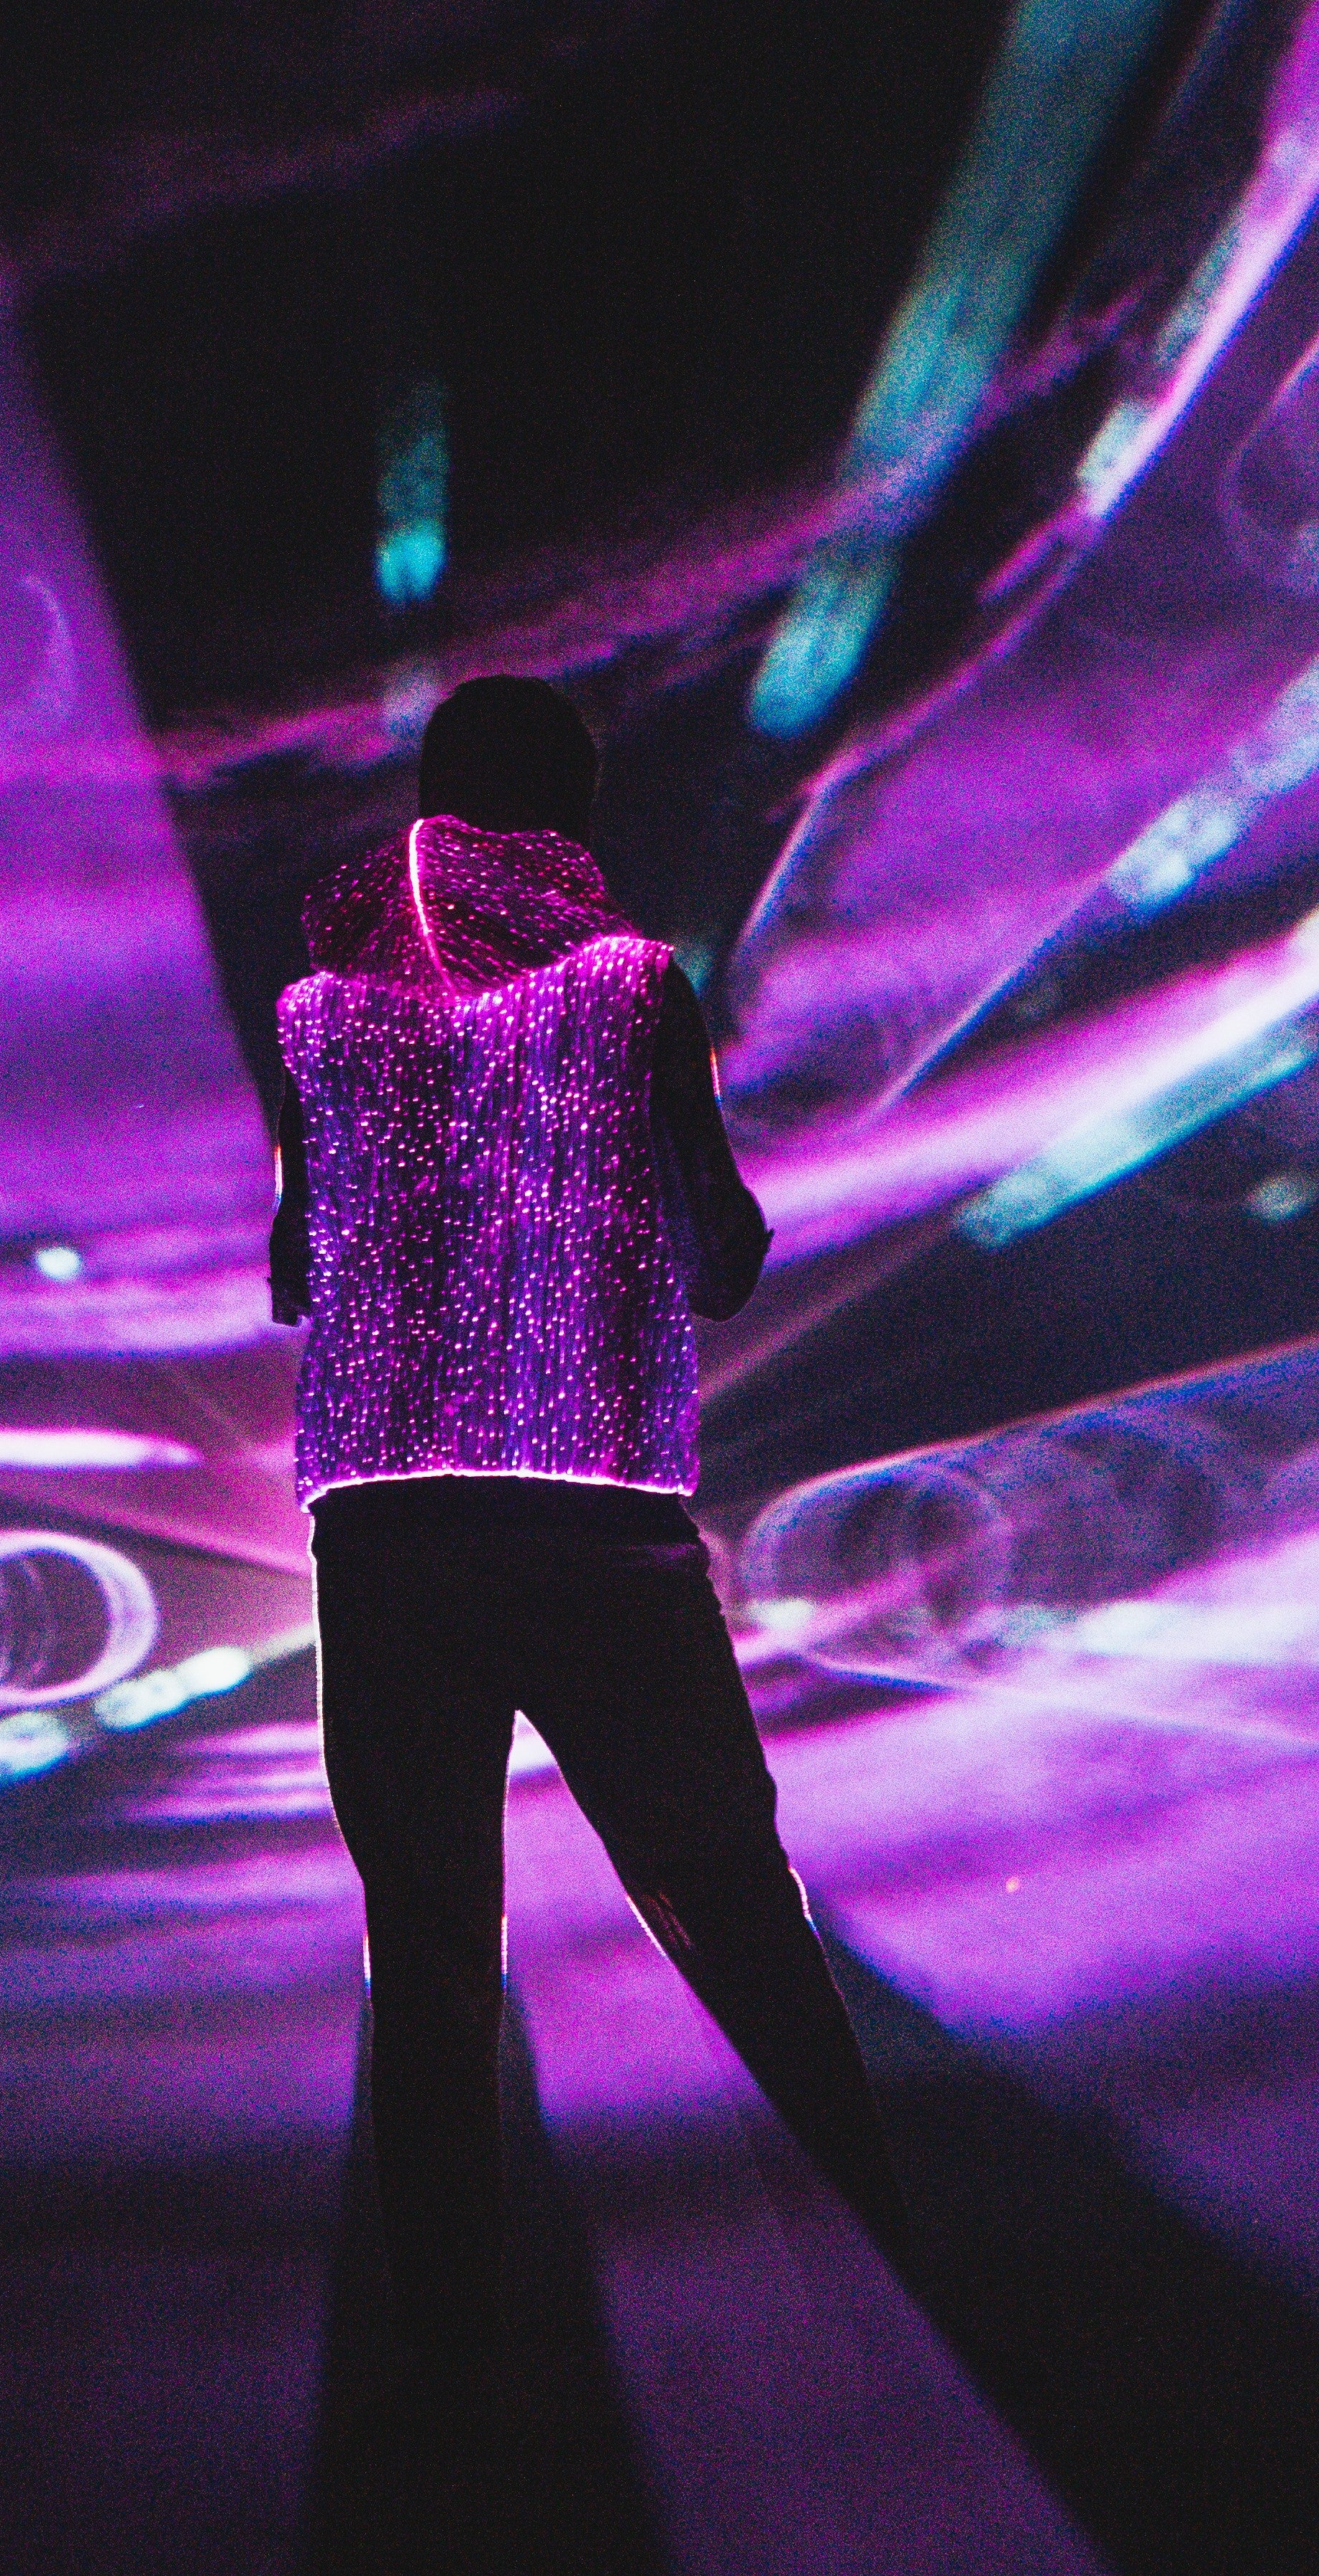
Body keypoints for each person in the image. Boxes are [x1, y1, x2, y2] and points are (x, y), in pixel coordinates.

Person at [271, 675, 907, 2434]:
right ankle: (882, 2240)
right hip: (590, 1509)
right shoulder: (631, 990)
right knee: (727, 1893)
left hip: (387, 1520)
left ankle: (447, 2360)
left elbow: (293, 1272)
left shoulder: (316, 1016)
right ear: (565, 820)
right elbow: (719, 1259)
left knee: (427, 1939)